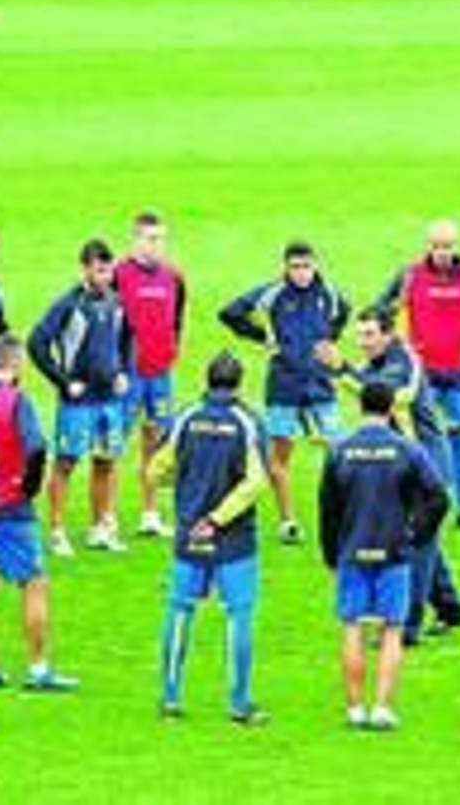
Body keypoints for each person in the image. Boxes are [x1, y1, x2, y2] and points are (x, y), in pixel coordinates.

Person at [323, 307, 460, 645]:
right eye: (360, 335)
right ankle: (450, 608)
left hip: (427, 461)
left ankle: (407, 627)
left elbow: (393, 396)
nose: (363, 342)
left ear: (388, 335)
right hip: (402, 461)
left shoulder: (404, 361)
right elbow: (367, 393)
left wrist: (342, 370)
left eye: (370, 334)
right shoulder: (371, 366)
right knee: (421, 536)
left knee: (415, 543)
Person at [147, 352, 271, 726]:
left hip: (189, 529)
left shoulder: (186, 417)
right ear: (239, 383)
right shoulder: (248, 422)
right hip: (234, 537)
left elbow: (154, 470)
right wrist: (218, 518)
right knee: (238, 615)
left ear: (207, 379)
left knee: (180, 611)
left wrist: (185, 486)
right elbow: (256, 483)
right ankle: (239, 702)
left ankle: (170, 698)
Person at [318, 382, 448, 732]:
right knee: (392, 630)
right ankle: (382, 708)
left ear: (360, 406)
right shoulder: (408, 450)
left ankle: (355, 709)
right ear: (391, 408)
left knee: (352, 626)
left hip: (351, 551)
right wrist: (416, 534)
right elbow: (438, 496)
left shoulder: (340, 450)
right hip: (395, 552)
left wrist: (331, 554)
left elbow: (327, 509)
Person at [0, 335, 79, 693]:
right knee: (33, 581)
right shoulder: (16, 400)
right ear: (15, 364)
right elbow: (37, 446)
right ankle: (38, 668)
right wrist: (28, 486)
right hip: (10, 504)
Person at [221, 241, 351, 545]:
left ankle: (342, 516)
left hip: (321, 384)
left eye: (306, 266)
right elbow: (230, 313)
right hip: (284, 385)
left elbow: (343, 313)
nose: (301, 273)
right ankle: (288, 521)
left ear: (316, 265)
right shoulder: (273, 293)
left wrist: (329, 341)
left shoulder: (329, 294)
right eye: (295, 267)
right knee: (280, 455)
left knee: (340, 453)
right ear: (286, 268)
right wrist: (261, 336)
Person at [374, 219, 460, 528]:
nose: (442, 252)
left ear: (457, 246)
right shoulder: (409, 276)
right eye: (437, 246)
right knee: (417, 440)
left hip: (459, 373)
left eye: (448, 246)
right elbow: (381, 310)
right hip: (422, 376)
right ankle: (414, 504)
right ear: (428, 246)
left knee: (459, 437)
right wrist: (397, 346)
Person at [29, 239, 133, 557]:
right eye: (99, 270)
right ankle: (57, 531)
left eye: (108, 270)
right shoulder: (68, 304)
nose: (105, 277)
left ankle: (99, 527)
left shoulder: (117, 301)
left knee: (106, 461)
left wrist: (122, 372)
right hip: (78, 401)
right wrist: (63, 382)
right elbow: (36, 343)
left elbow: (127, 338)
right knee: (66, 462)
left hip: (109, 400)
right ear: (85, 269)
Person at [115, 211, 187, 539]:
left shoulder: (174, 276)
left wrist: (172, 349)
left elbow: (177, 319)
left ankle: (150, 513)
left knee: (156, 441)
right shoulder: (119, 275)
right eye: (151, 238)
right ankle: (107, 518)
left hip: (160, 373)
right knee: (115, 444)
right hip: (128, 374)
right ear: (136, 240)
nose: (157, 245)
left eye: (161, 239)